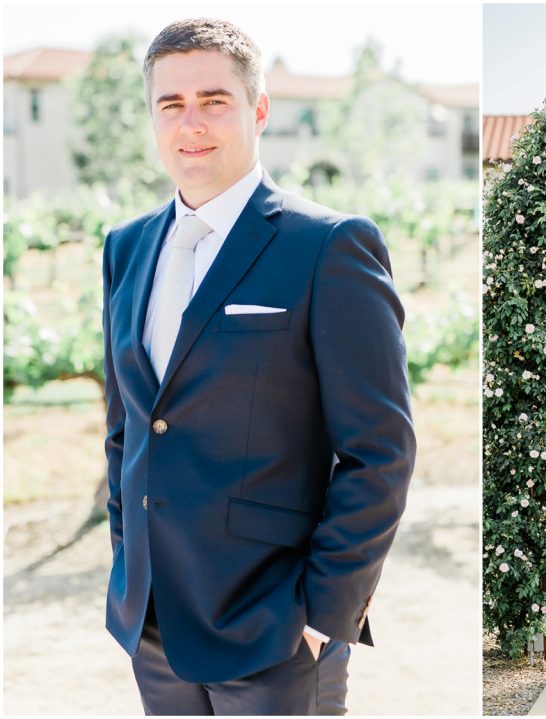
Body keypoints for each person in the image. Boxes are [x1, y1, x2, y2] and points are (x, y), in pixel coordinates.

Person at [101, 18, 416, 714]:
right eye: (171, 104)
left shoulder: (329, 246)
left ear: (259, 108)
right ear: (152, 115)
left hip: (274, 631)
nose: (192, 124)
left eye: (214, 100)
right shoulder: (125, 249)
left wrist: (321, 616)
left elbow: (380, 451)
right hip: (153, 627)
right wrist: (128, 563)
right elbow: (127, 426)